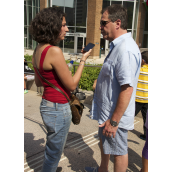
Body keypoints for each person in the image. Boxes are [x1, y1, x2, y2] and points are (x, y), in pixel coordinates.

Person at [29, 7, 92, 172]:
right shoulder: (54, 51)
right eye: (63, 25)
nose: (67, 29)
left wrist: (58, 76)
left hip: (47, 105)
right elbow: (72, 85)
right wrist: (83, 60)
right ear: (53, 26)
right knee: (54, 153)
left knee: (52, 147)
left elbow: (39, 81)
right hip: (58, 108)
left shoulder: (38, 50)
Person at [85, 4, 141, 172]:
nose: (100, 27)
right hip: (107, 112)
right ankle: (102, 170)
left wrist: (114, 121)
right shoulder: (117, 46)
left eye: (103, 23)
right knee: (107, 145)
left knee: (118, 151)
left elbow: (127, 89)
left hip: (114, 116)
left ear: (117, 23)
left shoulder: (125, 50)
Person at [135, 51, 148, 140]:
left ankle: (119, 131)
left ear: (142, 60)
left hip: (137, 99)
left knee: (129, 116)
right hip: (147, 100)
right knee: (146, 119)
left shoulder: (138, 69)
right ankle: (146, 135)